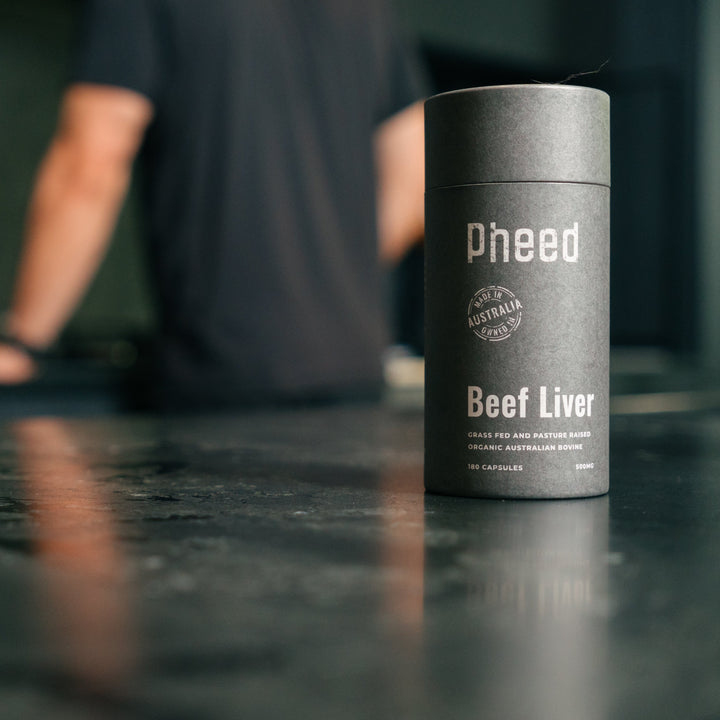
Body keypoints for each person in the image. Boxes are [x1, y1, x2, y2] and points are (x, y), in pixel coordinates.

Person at [0, 0, 426, 410]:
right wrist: (339, 272)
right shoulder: (368, 8)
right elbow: (416, 174)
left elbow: (90, 164)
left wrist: (23, 341)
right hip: (355, 368)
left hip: (227, 378)